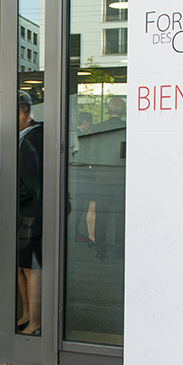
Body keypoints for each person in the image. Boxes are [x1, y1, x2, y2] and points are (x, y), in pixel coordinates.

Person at [0, 93, 43, 335]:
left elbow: (30, 185)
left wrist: (5, 200)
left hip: (31, 212)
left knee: (31, 268)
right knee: (21, 265)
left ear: (26, 112)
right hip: (20, 210)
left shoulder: (35, 138)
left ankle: (36, 321)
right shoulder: (21, 136)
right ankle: (26, 314)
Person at [86, 96, 126, 260]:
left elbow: (92, 154)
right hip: (120, 178)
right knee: (120, 217)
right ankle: (120, 251)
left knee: (101, 216)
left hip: (102, 178)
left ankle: (100, 249)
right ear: (123, 111)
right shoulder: (127, 128)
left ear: (108, 110)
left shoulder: (98, 128)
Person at [71, 112, 95, 245]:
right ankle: (74, 232)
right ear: (85, 122)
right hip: (81, 176)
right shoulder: (80, 136)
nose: (90, 126)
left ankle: (74, 231)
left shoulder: (73, 134)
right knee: (79, 205)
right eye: (90, 123)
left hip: (77, 175)